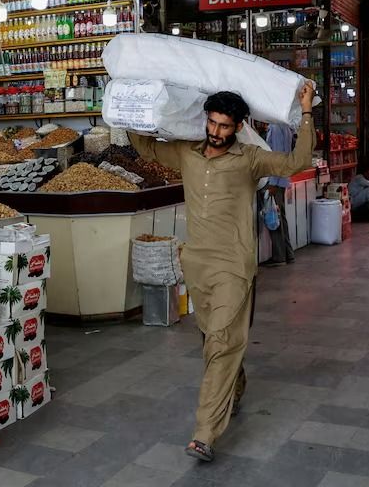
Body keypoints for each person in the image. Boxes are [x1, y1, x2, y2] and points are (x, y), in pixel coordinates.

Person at [127, 86, 315, 463]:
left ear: (238, 127)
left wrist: (307, 112)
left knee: (221, 342)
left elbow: (297, 161)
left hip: (234, 266)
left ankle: (205, 433)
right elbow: (145, 147)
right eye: (211, 123)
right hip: (196, 265)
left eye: (224, 126)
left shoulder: (250, 160)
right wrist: (130, 100)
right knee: (215, 340)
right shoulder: (186, 153)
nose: (215, 131)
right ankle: (237, 384)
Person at [262, 122, 296, 266]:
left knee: (274, 216)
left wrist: (273, 182)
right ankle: (288, 254)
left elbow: (277, 157)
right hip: (281, 179)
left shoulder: (275, 128)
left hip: (276, 180)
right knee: (280, 216)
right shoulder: (284, 126)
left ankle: (279, 256)